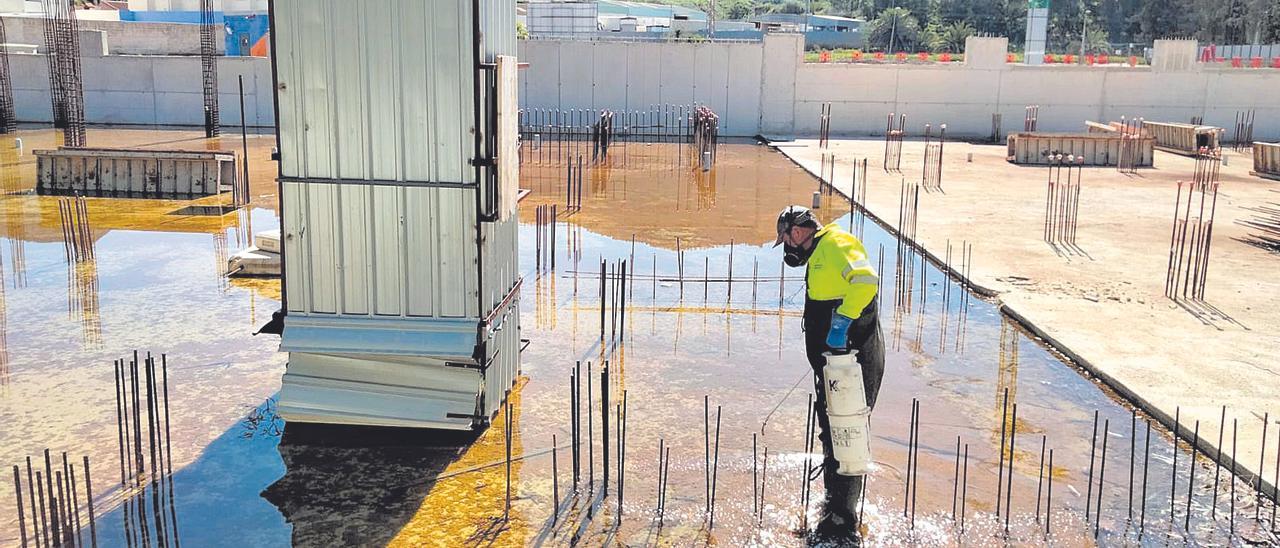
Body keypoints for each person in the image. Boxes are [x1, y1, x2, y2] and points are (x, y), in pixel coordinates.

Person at [774, 205, 885, 543]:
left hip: (852, 361)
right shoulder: (820, 251)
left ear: (797, 233)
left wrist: (843, 320)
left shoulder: (836, 243)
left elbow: (866, 280)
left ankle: (843, 522)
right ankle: (834, 503)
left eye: (785, 240)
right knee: (832, 432)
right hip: (834, 365)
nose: (788, 249)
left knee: (847, 434)